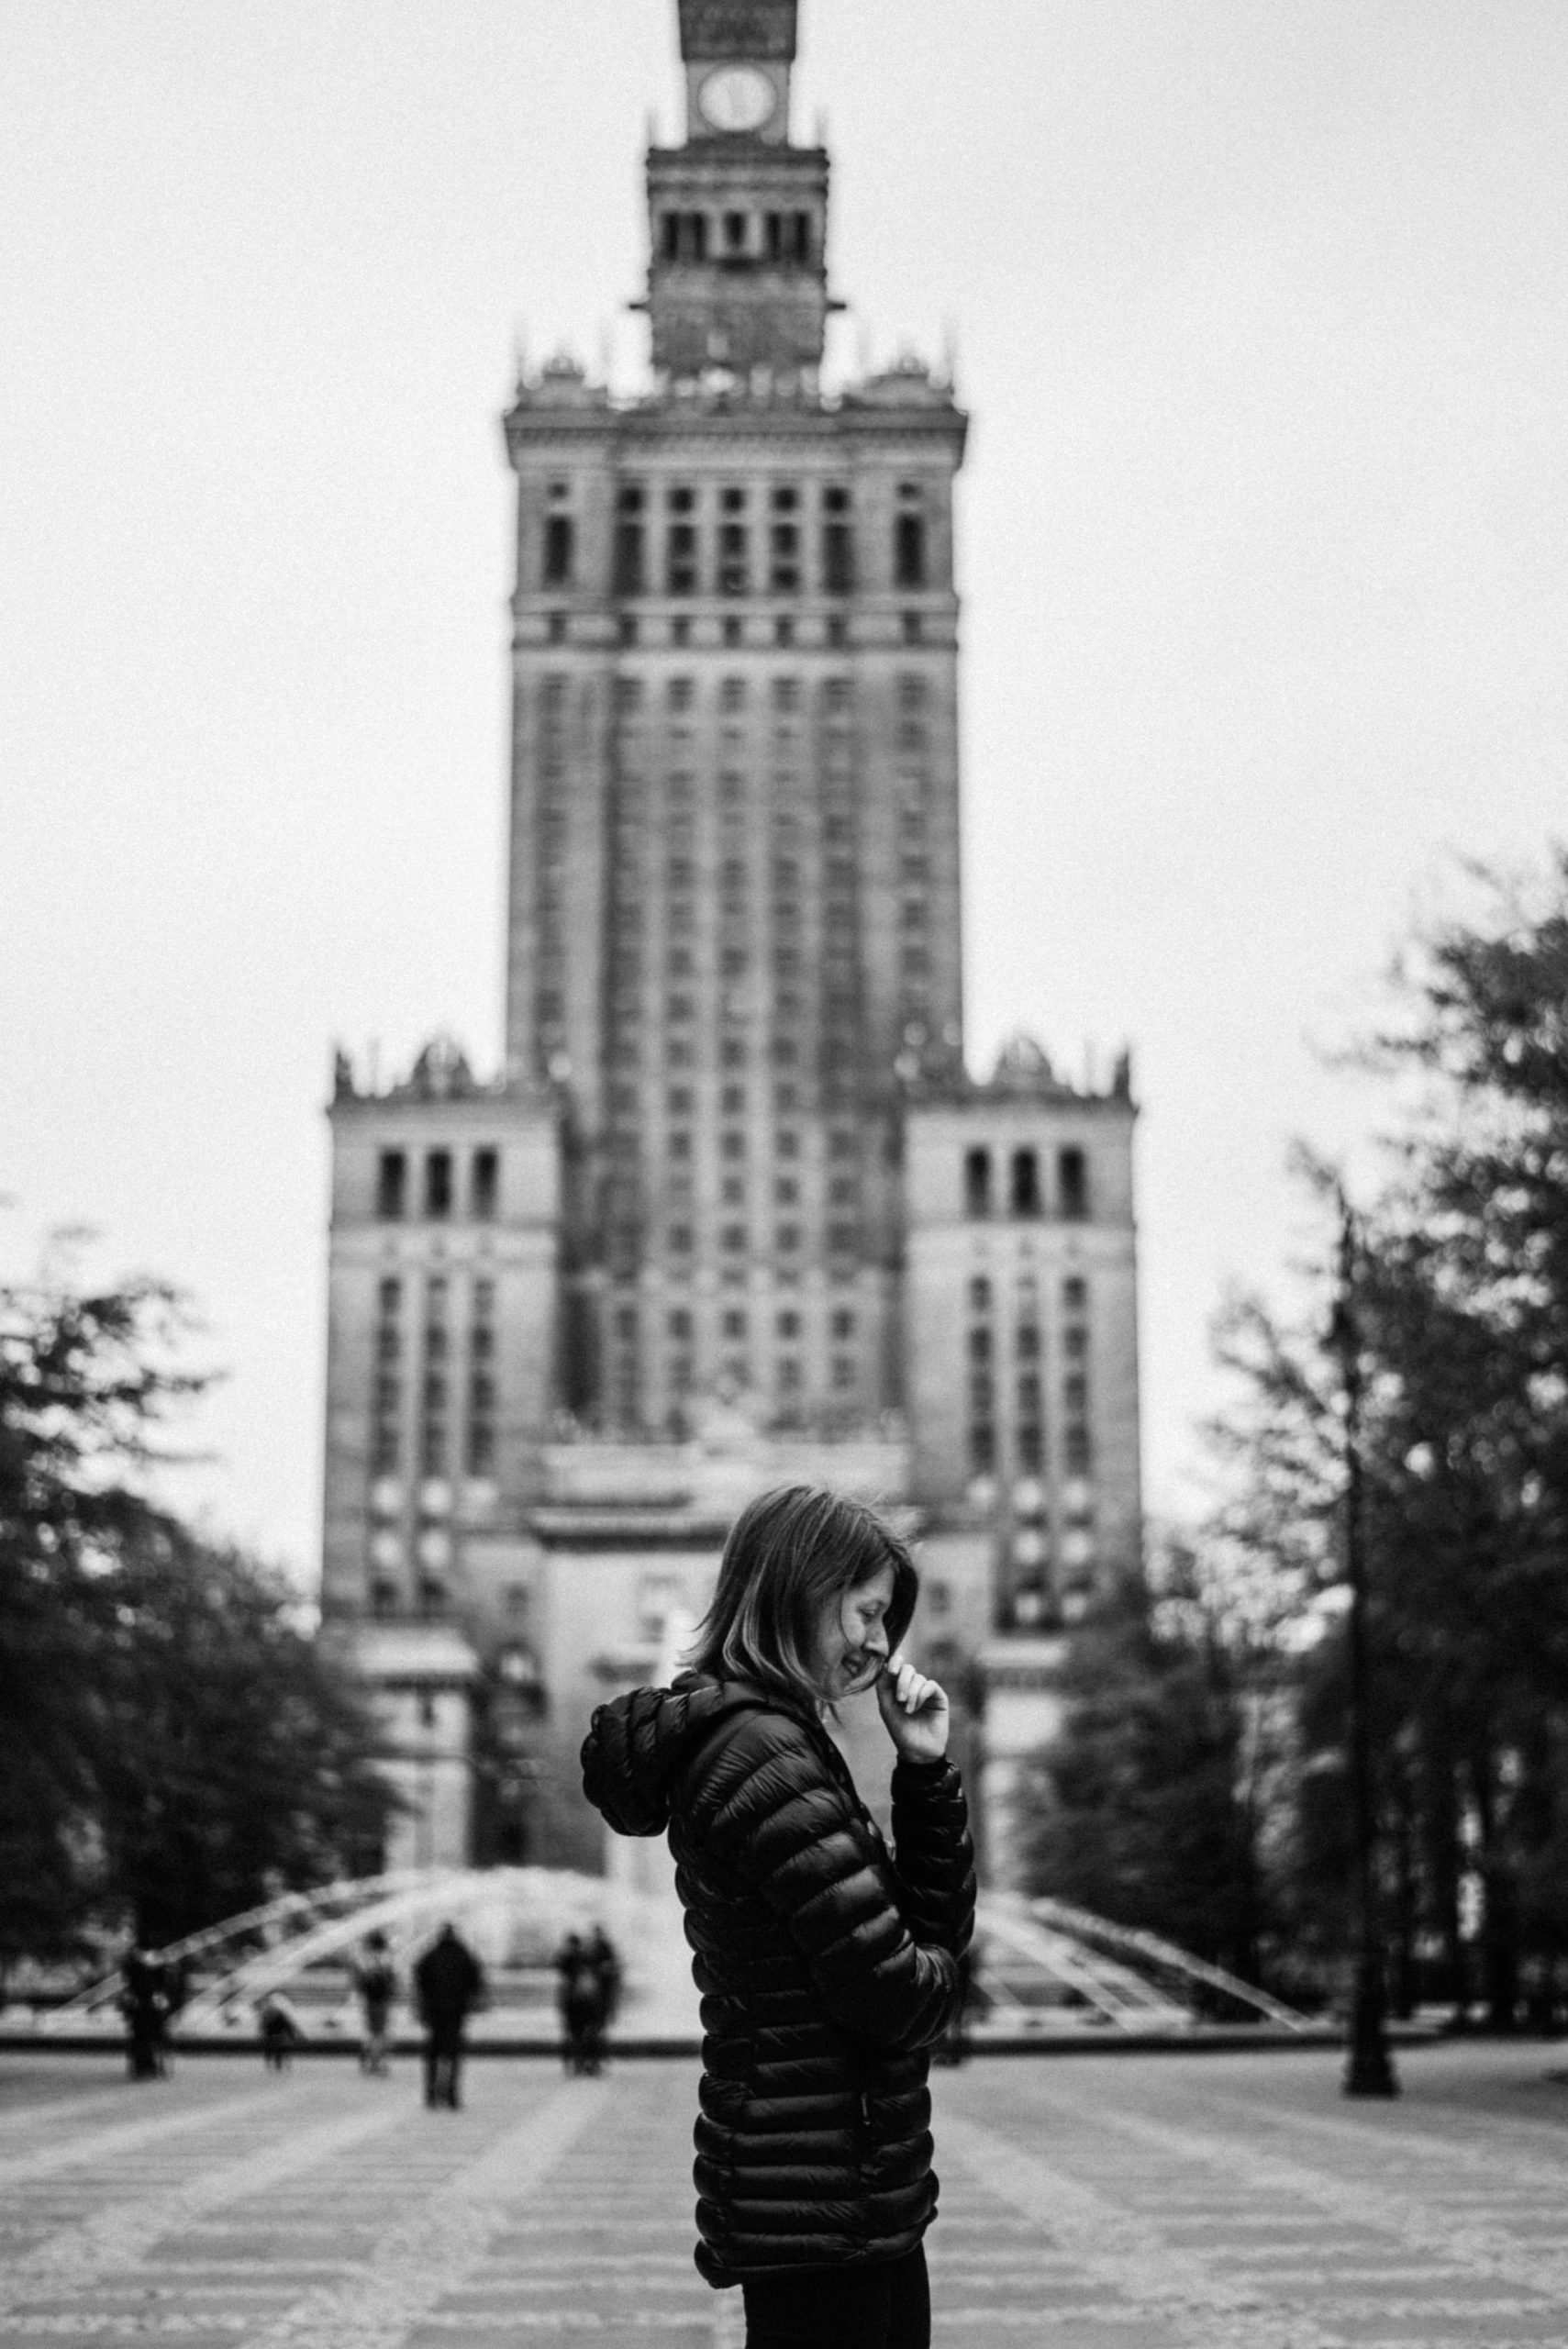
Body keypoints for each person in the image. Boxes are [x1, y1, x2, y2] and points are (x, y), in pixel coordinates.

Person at [582, 1485, 974, 2349]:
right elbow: (897, 1996)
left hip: (823, 2192)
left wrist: (924, 1778)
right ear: (801, 1590)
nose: (879, 1645)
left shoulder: (766, 1743)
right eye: (867, 1613)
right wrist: (936, 1981)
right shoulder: (764, 1756)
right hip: (822, 2202)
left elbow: (904, 1953)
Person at [412, 1921, 485, 2110]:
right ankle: (452, 2096)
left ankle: (431, 2095)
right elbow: (476, 1981)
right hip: (455, 2013)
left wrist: (422, 2007)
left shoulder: (430, 1955)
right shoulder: (464, 1955)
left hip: (434, 2013)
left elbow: (419, 1980)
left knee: (433, 2055)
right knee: (453, 2055)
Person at [554, 1931, 601, 2076]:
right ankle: (591, 2063)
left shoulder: (568, 1958)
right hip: (587, 2001)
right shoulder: (588, 1957)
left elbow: (557, 1965)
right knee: (590, 2033)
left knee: (574, 2034)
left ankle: (577, 2064)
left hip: (574, 2002)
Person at [352, 1931, 397, 2076]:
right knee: (380, 2032)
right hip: (381, 2000)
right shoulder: (386, 1960)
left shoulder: (366, 1960)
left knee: (372, 2032)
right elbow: (392, 1980)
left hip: (370, 2000)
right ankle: (376, 2061)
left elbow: (360, 1982)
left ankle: (370, 2058)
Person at [257, 1989, 305, 2071]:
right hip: (275, 2035)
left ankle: (274, 2064)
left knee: (275, 2050)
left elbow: (287, 2024)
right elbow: (288, 2024)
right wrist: (294, 2033)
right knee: (277, 2050)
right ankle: (277, 2064)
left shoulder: (268, 2013)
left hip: (273, 2035)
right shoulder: (274, 2013)